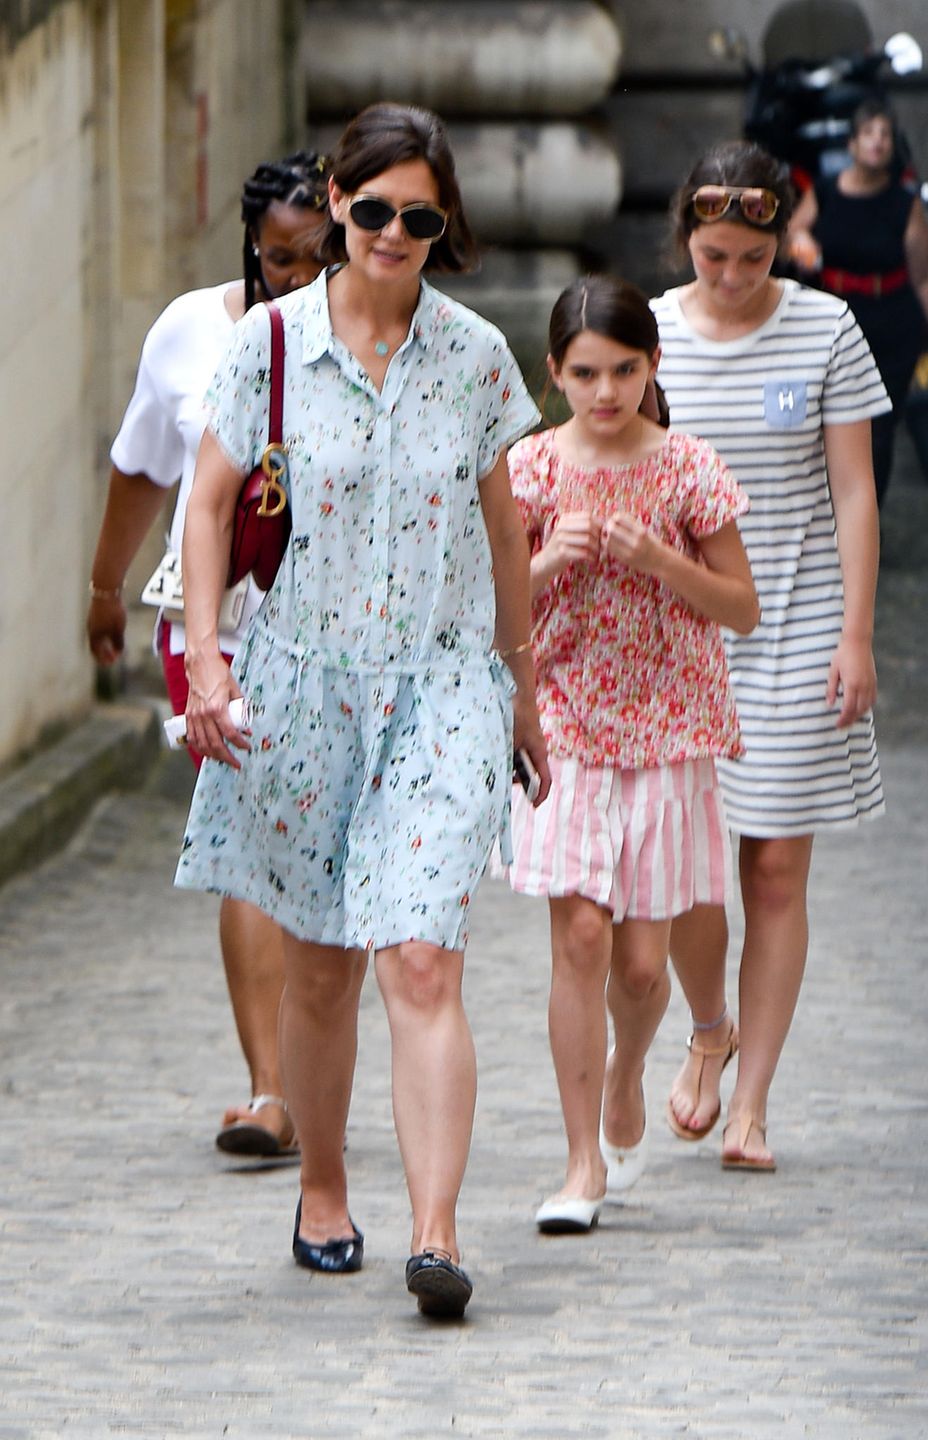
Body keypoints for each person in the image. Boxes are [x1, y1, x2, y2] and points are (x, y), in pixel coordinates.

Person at [173, 102, 550, 1318]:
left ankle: (435, 1233)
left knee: (425, 960)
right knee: (325, 966)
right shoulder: (269, 345)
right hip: (302, 685)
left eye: (421, 216)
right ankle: (325, 1186)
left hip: (443, 685)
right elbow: (207, 504)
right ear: (336, 202)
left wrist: (523, 692)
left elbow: (505, 532)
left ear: (446, 226)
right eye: (375, 209)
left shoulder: (480, 357)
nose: (395, 232)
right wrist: (210, 663)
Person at [651, 141, 888, 1171]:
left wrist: (858, 634)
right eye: (713, 258)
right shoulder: (649, 333)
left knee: (777, 867)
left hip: (794, 621)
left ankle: (752, 1106)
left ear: (781, 241)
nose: (734, 278)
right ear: (687, 244)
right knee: (686, 872)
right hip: (675, 638)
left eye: (752, 258)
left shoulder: (827, 327)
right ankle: (709, 1026)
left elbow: (853, 491)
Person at [504, 276, 759, 1231]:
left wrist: (662, 561)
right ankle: (580, 1165)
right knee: (577, 937)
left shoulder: (689, 466)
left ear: (651, 368)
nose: (604, 392)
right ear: (554, 374)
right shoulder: (528, 470)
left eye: (622, 371)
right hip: (565, 718)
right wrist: (544, 562)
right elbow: (483, 610)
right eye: (584, 374)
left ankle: (628, 1065)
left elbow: (742, 605)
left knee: (642, 965)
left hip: (669, 722)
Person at [86, 153, 326, 1157]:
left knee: (324, 848)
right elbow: (142, 469)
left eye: (321, 260)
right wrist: (102, 585)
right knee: (252, 842)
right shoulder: (191, 331)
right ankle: (272, 1090)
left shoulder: (395, 338)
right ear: (248, 244)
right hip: (215, 628)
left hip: (345, 630)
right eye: (279, 259)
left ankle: (322, 1060)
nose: (299, 279)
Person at [788, 99, 928, 507]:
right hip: (834, 316)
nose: (877, 143)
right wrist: (802, 241)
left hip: (891, 324)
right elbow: (794, 230)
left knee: (878, 430)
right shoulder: (825, 191)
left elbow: (925, 275)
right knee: (823, 421)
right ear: (853, 144)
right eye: (869, 134)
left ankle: (864, 519)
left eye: (885, 136)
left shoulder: (904, 205)